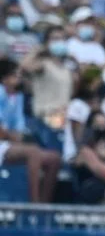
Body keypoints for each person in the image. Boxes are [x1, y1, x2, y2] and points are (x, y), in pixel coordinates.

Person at [0, 58, 61, 202]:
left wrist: (14, 136)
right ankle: (34, 205)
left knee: (54, 158)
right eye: (14, 75)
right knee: (33, 152)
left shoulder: (18, 96)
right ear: (4, 78)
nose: (18, 79)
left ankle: (44, 204)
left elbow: (19, 130)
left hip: (8, 144)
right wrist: (11, 135)